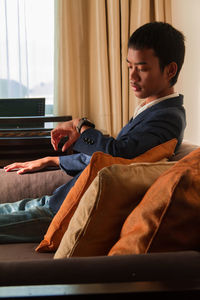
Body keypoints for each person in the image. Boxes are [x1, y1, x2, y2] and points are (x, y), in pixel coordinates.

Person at [1, 22, 186, 243]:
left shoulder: (167, 118)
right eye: (130, 67)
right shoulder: (150, 110)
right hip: (59, 200)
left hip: (64, 212)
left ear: (170, 70)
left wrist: (82, 126)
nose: (132, 77)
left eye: (142, 68)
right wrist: (53, 160)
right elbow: (109, 161)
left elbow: (119, 154)